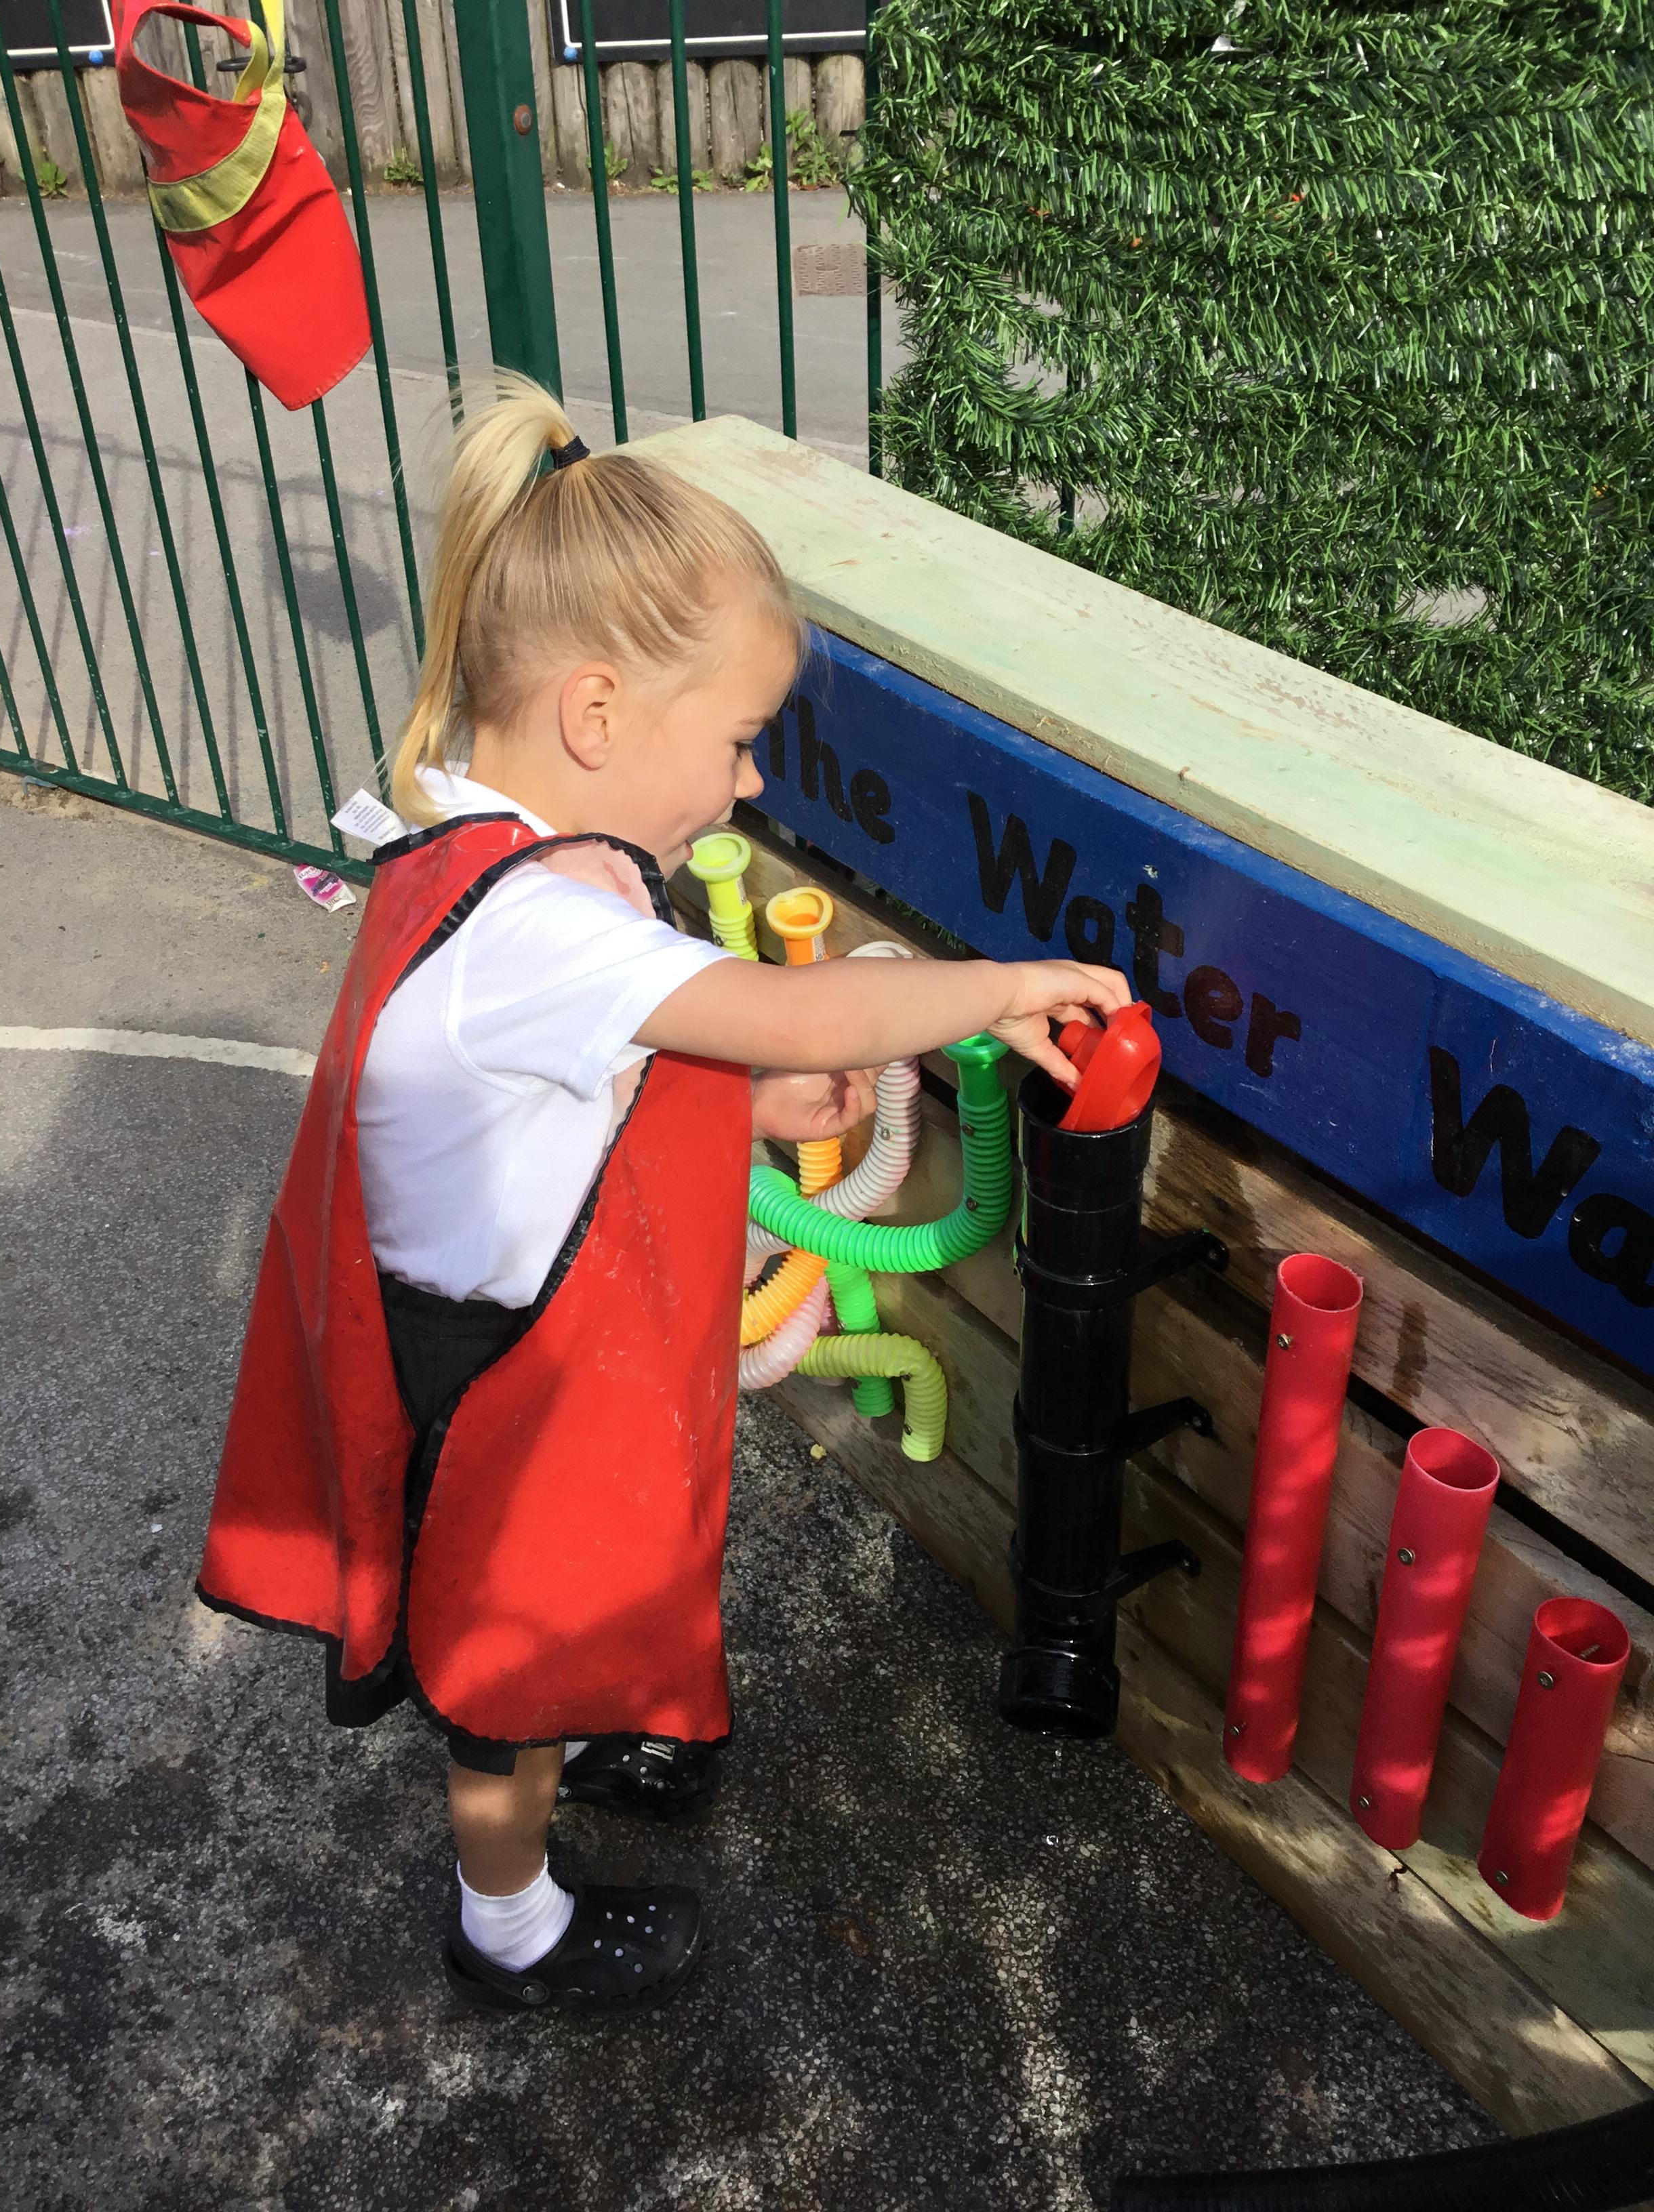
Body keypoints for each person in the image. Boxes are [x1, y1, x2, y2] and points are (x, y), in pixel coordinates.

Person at [197, 373, 1133, 2019]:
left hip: (524, 1347)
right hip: (497, 1388)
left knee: (577, 1610)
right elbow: (795, 1010)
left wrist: (745, 1104)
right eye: (740, 740)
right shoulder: (545, 926)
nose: (752, 786)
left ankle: (600, 1723)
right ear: (600, 712)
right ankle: (511, 1931)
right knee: (505, 1682)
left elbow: (564, 1090)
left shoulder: (485, 843)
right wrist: (996, 988)